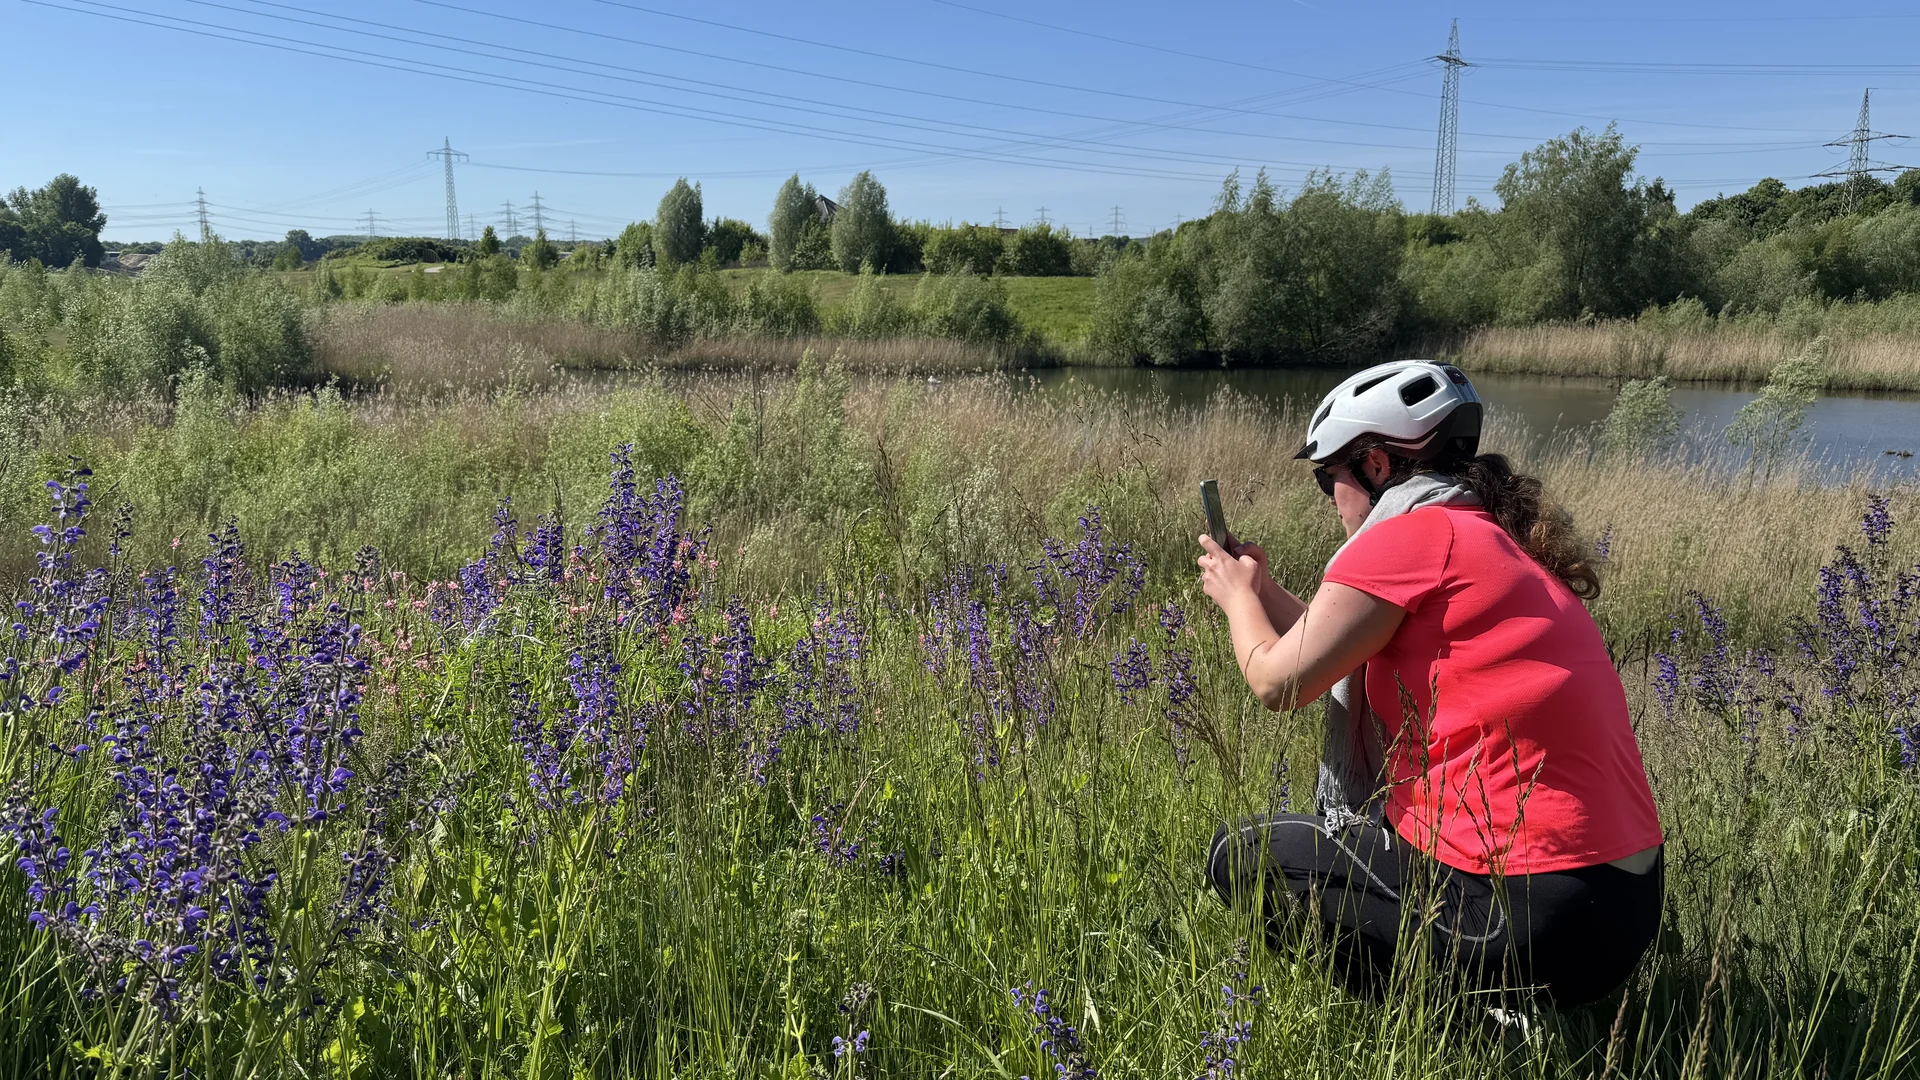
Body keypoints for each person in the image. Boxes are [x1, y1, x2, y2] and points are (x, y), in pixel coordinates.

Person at [1197, 360, 1664, 1008]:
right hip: (1619, 910)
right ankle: (1497, 1011)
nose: (1330, 499)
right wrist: (1264, 589)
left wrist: (1235, 597)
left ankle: (1454, 1021)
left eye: (1327, 478)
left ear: (1375, 466)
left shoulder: (1407, 537)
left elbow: (1277, 682)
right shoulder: (1488, 537)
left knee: (1243, 854)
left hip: (1528, 914)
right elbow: (1335, 646)